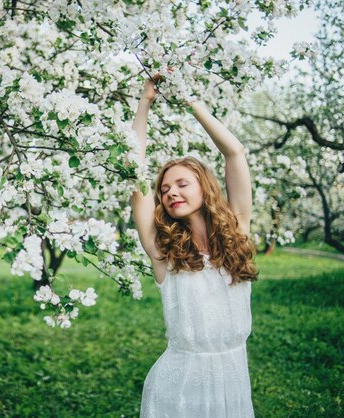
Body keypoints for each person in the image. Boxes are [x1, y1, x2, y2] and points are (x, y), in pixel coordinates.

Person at [131, 74, 259, 418]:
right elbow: (135, 177)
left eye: (182, 184)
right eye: (165, 189)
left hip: (234, 379)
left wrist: (188, 98)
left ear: (204, 188)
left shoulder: (238, 233)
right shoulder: (163, 250)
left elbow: (235, 152)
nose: (170, 192)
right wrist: (145, 102)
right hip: (180, 390)